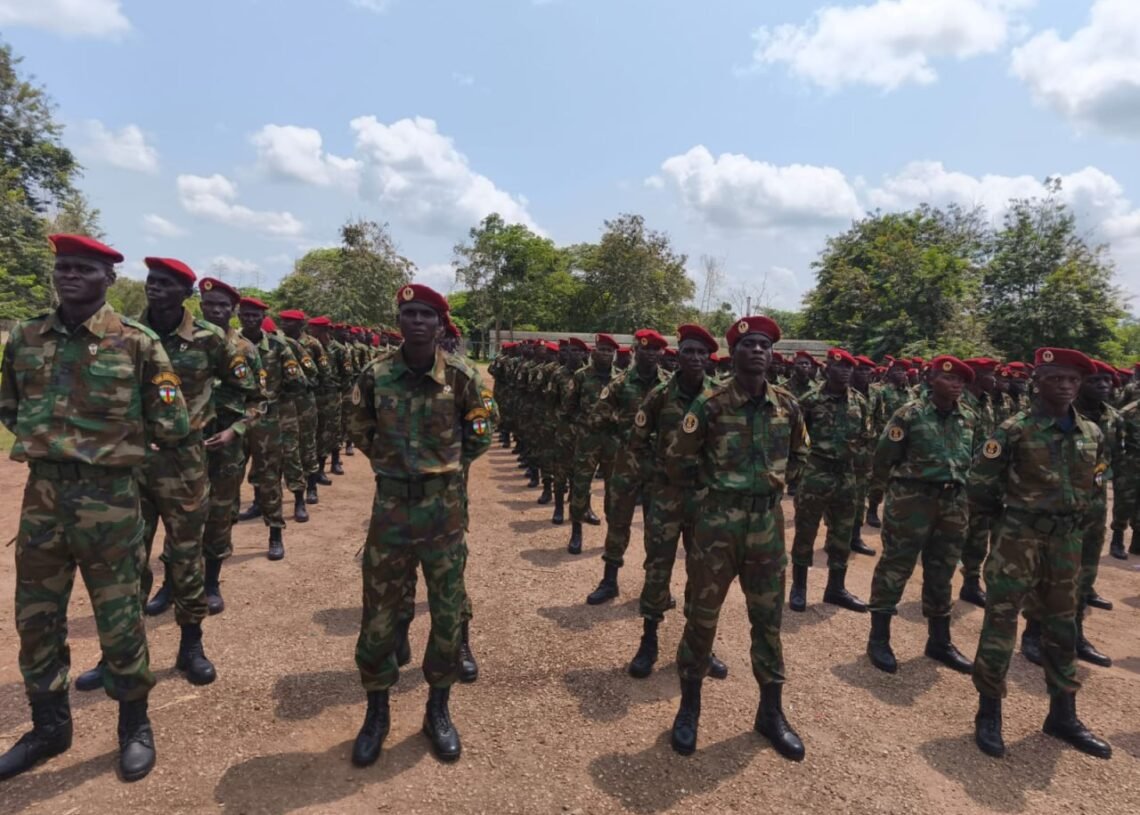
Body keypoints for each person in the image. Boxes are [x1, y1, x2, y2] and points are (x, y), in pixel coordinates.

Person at [0, 234, 190, 782]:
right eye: (63, 267)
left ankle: (134, 725)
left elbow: (172, 424)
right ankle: (49, 728)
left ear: (108, 279)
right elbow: (10, 406)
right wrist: (59, 448)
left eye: (84, 269)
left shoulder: (137, 343)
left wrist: (106, 451)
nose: (70, 276)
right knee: (36, 619)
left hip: (110, 500)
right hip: (43, 498)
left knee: (120, 618)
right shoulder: (27, 337)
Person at [347, 283, 492, 766]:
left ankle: (437, 710)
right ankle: (377, 711)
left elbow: (480, 435)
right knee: (380, 612)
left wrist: (441, 469)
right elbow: (360, 429)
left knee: (448, 613)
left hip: (443, 511)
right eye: (408, 313)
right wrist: (395, 467)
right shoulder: (376, 375)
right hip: (390, 509)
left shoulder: (463, 377)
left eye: (425, 315)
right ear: (400, 321)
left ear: (439, 324)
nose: (415, 321)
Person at [665, 315, 806, 760]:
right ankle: (689, 708)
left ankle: (771, 712)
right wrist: (713, 494)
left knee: (768, 621)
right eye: (748, 345)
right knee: (702, 617)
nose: (758, 351)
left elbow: (800, 455)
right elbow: (678, 460)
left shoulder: (787, 405)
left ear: (772, 353)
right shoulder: (709, 403)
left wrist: (771, 489)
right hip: (718, 526)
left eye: (764, 344)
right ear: (733, 353)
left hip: (766, 527)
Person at [970, 348, 1111, 760]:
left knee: (1063, 625)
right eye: (1056, 378)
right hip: (1019, 538)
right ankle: (989, 712)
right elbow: (979, 484)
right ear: (1038, 381)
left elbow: (1096, 481)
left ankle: (1063, 715)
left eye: (1072, 379)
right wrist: (1007, 522)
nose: (1066, 385)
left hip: (1067, 542)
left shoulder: (1091, 433)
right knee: (1001, 621)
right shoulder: (1015, 429)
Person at [626, 324, 727, 681]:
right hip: (666, 497)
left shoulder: (720, 398)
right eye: (689, 351)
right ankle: (649, 640)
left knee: (704, 575)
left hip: (705, 501)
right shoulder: (658, 396)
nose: (696, 358)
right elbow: (636, 442)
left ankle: (700, 645)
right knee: (658, 568)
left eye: (702, 353)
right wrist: (656, 475)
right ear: (677, 355)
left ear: (709, 358)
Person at [865, 356, 976, 675]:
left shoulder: (968, 417)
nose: (956, 385)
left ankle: (939, 641)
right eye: (949, 378)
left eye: (961, 381)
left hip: (952, 503)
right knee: (896, 566)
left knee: (942, 571)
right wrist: (890, 495)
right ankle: (879, 638)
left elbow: (970, 460)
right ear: (931, 380)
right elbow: (885, 457)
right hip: (913, 502)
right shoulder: (909, 415)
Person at [1019, 358, 1119, 669]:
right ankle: (1033, 633)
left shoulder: (1110, 420)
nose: (1101, 386)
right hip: (1050, 511)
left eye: (1105, 381)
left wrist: (1095, 487)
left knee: (1084, 572)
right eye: (1094, 381)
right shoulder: (1042, 420)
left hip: (1091, 506)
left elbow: (1106, 462)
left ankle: (1075, 634)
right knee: (1045, 573)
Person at [584, 328, 668, 605]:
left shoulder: (669, 385)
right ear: (634, 351)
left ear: (661, 353)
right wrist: (623, 432)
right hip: (626, 464)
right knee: (618, 522)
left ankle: (655, 588)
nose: (650, 354)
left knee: (657, 528)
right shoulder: (619, 384)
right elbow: (597, 417)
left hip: (658, 468)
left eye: (655, 349)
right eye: (644, 349)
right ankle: (609, 582)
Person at [788, 348, 873, 614]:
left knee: (842, 532)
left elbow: (866, 435)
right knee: (805, 530)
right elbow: (796, 438)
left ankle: (836, 588)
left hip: (846, 474)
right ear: (827, 370)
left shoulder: (859, 402)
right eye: (840, 367)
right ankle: (799, 586)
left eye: (849, 367)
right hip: (816, 472)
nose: (846, 371)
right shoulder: (810, 400)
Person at [198, 278, 262, 612]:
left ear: (232, 310)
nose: (216, 311)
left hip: (226, 442)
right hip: (184, 444)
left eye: (223, 306)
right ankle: (172, 582)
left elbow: (259, 402)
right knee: (181, 515)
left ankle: (211, 581)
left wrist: (235, 429)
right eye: (210, 304)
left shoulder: (245, 350)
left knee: (220, 512)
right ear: (200, 306)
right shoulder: (181, 344)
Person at [236, 298, 307, 556]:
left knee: (270, 474)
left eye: (255, 314)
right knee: (230, 473)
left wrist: (276, 399)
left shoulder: (278, 345)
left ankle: (275, 533)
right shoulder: (228, 343)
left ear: (262, 315)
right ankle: (225, 533)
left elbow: (298, 379)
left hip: (267, 418)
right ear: (239, 315)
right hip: (235, 418)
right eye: (245, 314)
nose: (250, 318)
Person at [564, 334, 618, 554]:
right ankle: (576, 531)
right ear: (594, 351)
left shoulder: (620, 379)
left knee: (613, 488)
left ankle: (611, 535)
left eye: (609, 351)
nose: (605, 354)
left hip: (612, 441)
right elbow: (569, 407)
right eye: (602, 349)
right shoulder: (581, 377)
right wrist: (584, 424)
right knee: (580, 485)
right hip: (587, 440)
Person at [279, 311, 323, 506]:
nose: (286, 324)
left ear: (300, 325)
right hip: (284, 404)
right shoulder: (278, 341)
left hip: (304, 403)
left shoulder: (311, 344)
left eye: (290, 322)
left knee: (307, 443)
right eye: (284, 321)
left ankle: (311, 487)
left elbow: (318, 371)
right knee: (287, 447)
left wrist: (304, 385)